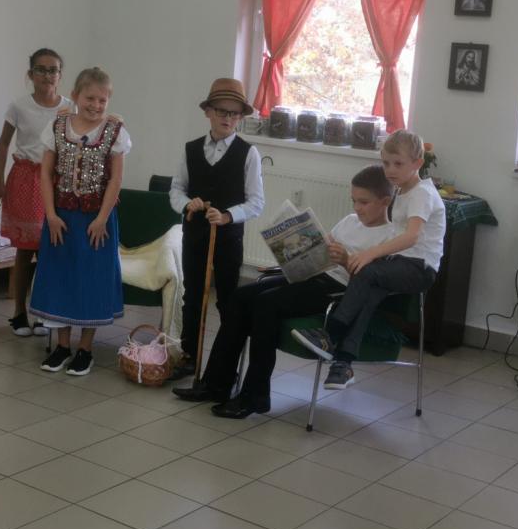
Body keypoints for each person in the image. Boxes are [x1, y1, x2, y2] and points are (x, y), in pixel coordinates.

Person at [174, 165, 396, 418]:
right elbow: (325, 248)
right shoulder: (349, 221)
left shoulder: (389, 237)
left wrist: (346, 260)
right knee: (240, 297)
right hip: (314, 275)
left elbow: (370, 283)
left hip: (337, 289)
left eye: (364, 202)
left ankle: (255, 395)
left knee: (266, 304)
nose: (357, 207)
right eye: (354, 200)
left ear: (385, 201)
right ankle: (216, 384)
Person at [292, 129, 445, 389]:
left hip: (420, 268)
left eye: (398, 164)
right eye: (386, 163)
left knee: (366, 271)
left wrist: (370, 253)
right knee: (368, 296)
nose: (390, 170)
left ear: (418, 163)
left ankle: (330, 334)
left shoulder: (422, 193)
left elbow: (412, 237)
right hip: (400, 263)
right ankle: (344, 363)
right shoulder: (403, 192)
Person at [30, 67, 131, 376]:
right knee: (61, 277)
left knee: (91, 279)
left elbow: (115, 181)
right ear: (75, 95)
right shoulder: (58, 126)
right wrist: (51, 215)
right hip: (61, 217)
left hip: (96, 221)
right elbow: (46, 173)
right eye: (90, 98)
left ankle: (85, 349)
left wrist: (101, 219)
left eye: (102, 100)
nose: (95, 105)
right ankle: (62, 346)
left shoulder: (115, 132)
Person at [167, 78, 263, 379]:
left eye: (234, 113)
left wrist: (228, 216)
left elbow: (256, 202)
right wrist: (188, 204)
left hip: (229, 238)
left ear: (241, 117)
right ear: (208, 112)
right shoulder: (191, 149)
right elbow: (176, 190)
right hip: (195, 235)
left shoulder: (248, 153)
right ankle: (189, 356)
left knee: (228, 300)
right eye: (221, 111)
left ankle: (225, 365)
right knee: (193, 295)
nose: (227, 118)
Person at [0, 48, 68, 338]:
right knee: (25, 249)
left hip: (57, 182)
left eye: (53, 70)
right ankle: (18, 312)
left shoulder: (70, 108)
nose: (47, 75)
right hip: (26, 179)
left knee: (49, 249)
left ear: (60, 75)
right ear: (30, 74)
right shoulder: (19, 106)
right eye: (41, 69)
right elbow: (3, 143)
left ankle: (43, 312)